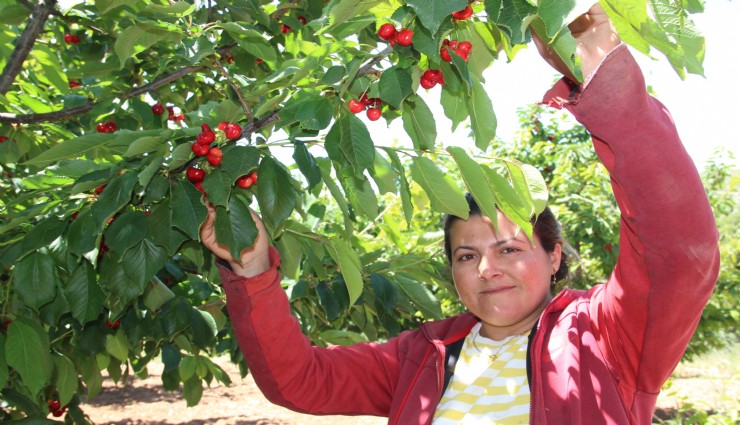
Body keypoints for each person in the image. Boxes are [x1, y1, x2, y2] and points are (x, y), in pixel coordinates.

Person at [200, 4, 720, 424]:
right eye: (466, 255)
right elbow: (300, 381)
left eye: (510, 249)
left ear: (555, 254)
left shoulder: (605, 336)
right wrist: (250, 270)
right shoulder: (424, 354)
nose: (486, 269)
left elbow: (677, 250)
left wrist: (609, 89)